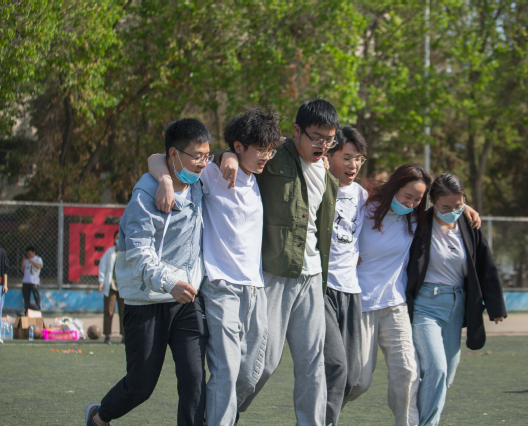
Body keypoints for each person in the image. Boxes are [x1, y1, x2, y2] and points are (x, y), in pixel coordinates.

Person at [149, 107, 280, 425]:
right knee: (226, 369)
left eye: (270, 150)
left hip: (256, 288)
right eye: (261, 149)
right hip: (221, 286)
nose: (266, 156)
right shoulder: (211, 174)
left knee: (256, 370)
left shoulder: (258, 178)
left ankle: (213, 415)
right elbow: (156, 157)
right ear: (239, 146)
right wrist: (165, 180)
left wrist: (229, 155)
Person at [213, 98, 340, 425]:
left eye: (329, 140)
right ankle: (220, 413)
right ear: (297, 131)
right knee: (262, 363)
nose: (322, 146)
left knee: (313, 364)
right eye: (316, 137)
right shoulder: (273, 156)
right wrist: (225, 154)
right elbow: (235, 155)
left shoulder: (327, 173)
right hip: (274, 274)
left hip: (312, 277)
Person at [85, 118, 211, 426]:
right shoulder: (143, 197)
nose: (203, 163)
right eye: (197, 156)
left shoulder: (201, 182)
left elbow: (232, 155)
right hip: (146, 301)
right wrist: (169, 282)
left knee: (194, 380)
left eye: (207, 156)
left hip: (187, 300)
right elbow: (140, 255)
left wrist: (228, 158)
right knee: (140, 386)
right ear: (174, 155)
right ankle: (99, 417)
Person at [346, 166, 481, 426]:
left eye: (417, 199)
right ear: (394, 187)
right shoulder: (364, 206)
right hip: (361, 304)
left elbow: (445, 206)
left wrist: (465, 209)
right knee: (359, 381)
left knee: (408, 375)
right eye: (407, 196)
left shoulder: (417, 219)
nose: (410, 204)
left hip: (395, 305)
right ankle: (325, 414)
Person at [406, 173, 506, 426]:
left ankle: (418, 418)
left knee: (446, 375)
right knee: (436, 369)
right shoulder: (418, 222)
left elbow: (485, 265)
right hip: (425, 306)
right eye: (446, 207)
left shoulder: (469, 225)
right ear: (432, 202)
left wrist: (496, 307)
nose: (453, 212)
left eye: (458, 205)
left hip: (457, 305)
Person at [323, 126, 369, 426]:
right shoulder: (316, 183)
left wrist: (463, 207)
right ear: (329, 156)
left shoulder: (364, 195)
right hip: (320, 287)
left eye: (358, 159)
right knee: (336, 366)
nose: (353, 165)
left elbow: (410, 200)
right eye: (347, 157)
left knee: (352, 377)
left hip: (351, 290)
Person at [97, 231, 124, 345]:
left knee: (124, 312)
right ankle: (107, 336)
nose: (119, 240)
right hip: (111, 285)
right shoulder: (110, 252)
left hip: (123, 287)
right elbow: (102, 266)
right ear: (114, 239)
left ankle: (124, 335)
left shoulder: (126, 252)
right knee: (109, 311)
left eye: (121, 237)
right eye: (117, 237)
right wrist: (101, 281)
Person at [21, 246, 43, 311]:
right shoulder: (26, 260)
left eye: (30, 253)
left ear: (33, 252)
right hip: (26, 281)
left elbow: (39, 266)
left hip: (34, 281)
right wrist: (23, 260)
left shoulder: (38, 259)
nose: (29, 255)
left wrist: (31, 261)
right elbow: (22, 268)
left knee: (36, 295)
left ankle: (38, 308)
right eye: (27, 254)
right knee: (26, 296)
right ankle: (27, 309)